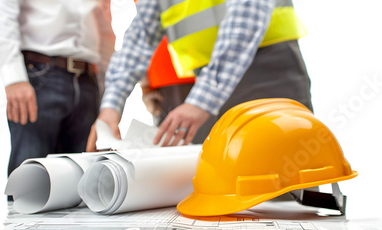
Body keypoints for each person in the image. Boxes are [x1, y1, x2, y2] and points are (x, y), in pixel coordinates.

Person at [86, 0, 312, 151]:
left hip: (267, 71)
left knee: (279, 188)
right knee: (219, 188)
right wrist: (110, 110)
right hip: (206, 82)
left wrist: (201, 100)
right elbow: (138, 40)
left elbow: (247, 16)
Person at [0, 0, 115, 182]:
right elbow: (3, 9)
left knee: (83, 177)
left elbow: (104, 27)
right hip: (40, 74)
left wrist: (107, 95)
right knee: (32, 177)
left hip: (89, 79)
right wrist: (13, 77)